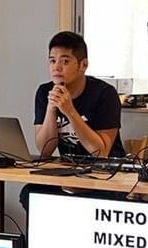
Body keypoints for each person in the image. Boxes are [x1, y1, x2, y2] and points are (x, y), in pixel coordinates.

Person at [33, 31, 124, 160]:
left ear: (83, 65)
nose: (56, 67)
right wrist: (51, 109)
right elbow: (44, 150)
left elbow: (101, 153)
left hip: (106, 169)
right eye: (52, 61)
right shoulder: (44, 92)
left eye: (65, 61)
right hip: (68, 167)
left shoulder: (105, 93)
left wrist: (70, 111)